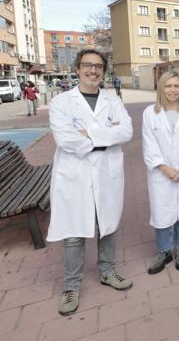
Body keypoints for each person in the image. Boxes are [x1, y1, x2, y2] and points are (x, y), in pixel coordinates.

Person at [47, 49, 133, 316]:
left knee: (107, 224)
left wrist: (90, 134)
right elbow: (66, 139)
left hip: (107, 172)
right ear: (77, 69)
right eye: (87, 65)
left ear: (103, 71)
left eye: (98, 66)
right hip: (75, 175)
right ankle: (71, 286)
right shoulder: (62, 102)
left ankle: (108, 272)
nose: (93, 70)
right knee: (74, 231)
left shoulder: (112, 101)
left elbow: (127, 130)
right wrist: (106, 137)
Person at [142, 71, 179, 274]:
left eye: (177, 86)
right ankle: (164, 250)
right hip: (161, 173)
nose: (173, 90)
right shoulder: (150, 113)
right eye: (168, 86)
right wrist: (164, 167)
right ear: (161, 88)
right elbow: (149, 144)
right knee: (162, 210)